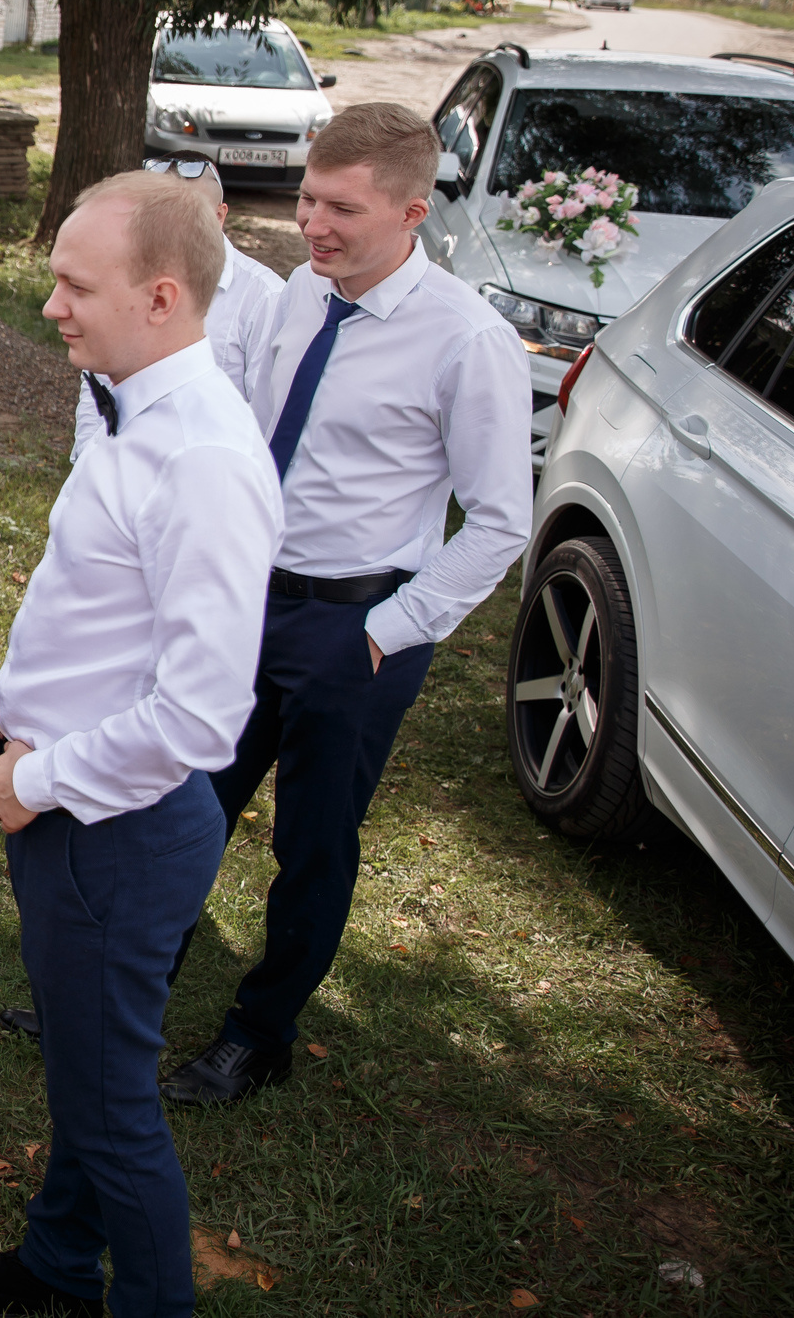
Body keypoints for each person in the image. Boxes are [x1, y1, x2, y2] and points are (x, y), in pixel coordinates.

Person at [0, 173, 281, 1315]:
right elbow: (102, 606)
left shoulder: (204, 460)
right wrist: (19, 711)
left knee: (111, 1112)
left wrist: (38, 775)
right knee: (86, 1081)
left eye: (75, 285)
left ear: (161, 296)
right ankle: (55, 1269)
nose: (51, 306)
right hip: (72, 802)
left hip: (111, 832)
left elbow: (201, 718)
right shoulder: (131, 406)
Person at [161, 103, 531, 1106]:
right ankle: (134, 983)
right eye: (309, 199)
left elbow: (500, 521)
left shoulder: (467, 341)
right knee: (182, 798)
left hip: (358, 626)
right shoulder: (294, 298)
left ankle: (259, 1030)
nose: (314, 224)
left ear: (412, 213)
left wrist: (385, 632)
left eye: (342, 210)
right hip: (249, 603)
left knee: (311, 842)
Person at [68, 158, 285, 458]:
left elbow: (268, 415)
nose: (173, 234)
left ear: (220, 216)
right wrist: (87, 462)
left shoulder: (265, 298)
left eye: (192, 218)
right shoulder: (116, 279)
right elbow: (98, 385)